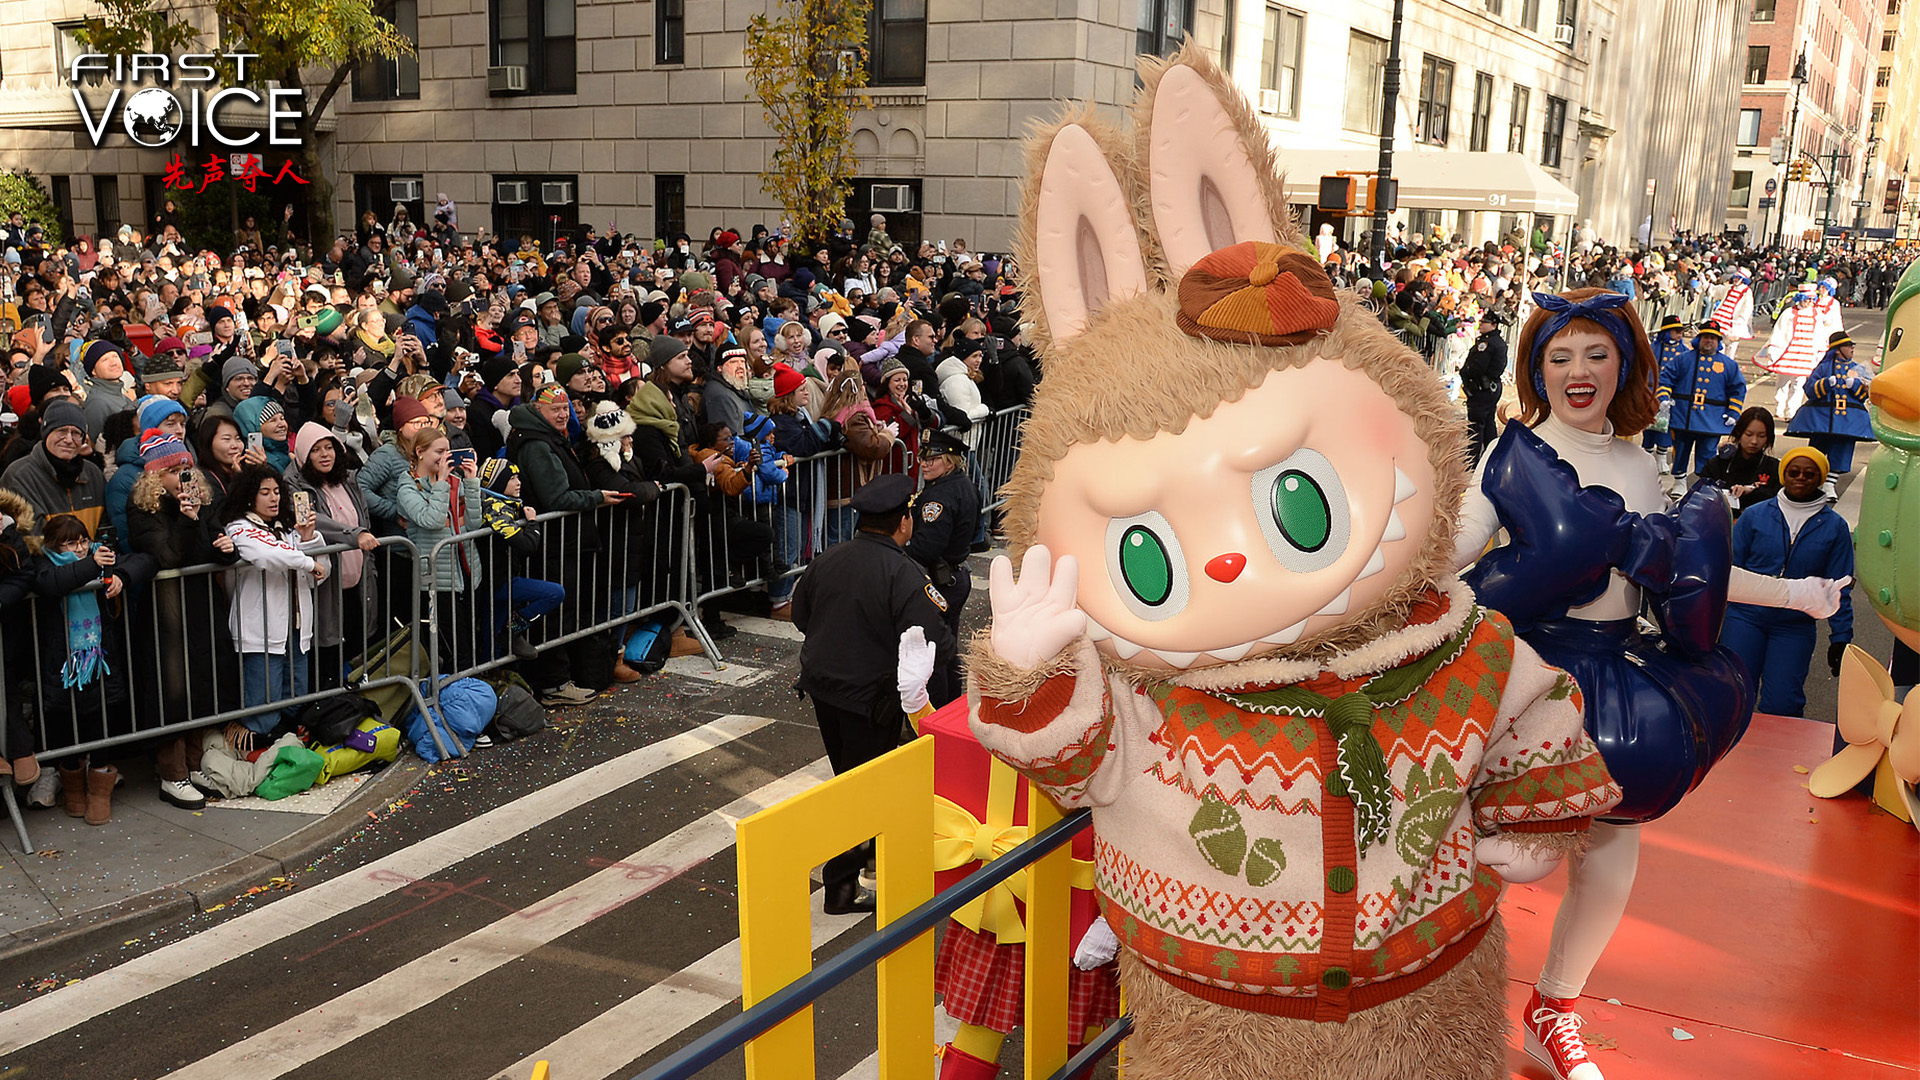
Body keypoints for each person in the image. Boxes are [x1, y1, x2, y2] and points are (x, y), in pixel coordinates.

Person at [1455, 289, 1847, 1080]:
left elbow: (1690, 572)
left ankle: (1553, 1009)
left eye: (1596, 353)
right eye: (1559, 355)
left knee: (1610, 859)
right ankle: (1443, 1008)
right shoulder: (1513, 455)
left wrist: (1795, 594)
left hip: (1611, 682)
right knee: (1476, 853)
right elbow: (1451, 552)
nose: (1577, 370)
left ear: (1626, 362)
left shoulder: (1640, 463)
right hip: (1517, 678)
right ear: (1536, 367)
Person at [790, 474, 956, 914]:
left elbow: (800, 613)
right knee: (862, 789)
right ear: (903, 522)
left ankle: (867, 860)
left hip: (825, 689)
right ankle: (842, 885)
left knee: (850, 776)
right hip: (870, 698)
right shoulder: (904, 572)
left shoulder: (829, 557)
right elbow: (933, 640)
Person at [125, 429, 240, 807]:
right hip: (166, 611)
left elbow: (212, 543)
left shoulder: (201, 502)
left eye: (186, 468)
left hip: (202, 604)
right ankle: (171, 774)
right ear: (156, 476)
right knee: (171, 690)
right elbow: (169, 555)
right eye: (173, 470)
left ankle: (192, 766)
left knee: (203, 681)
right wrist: (188, 520)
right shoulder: (145, 509)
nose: (182, 477)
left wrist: (226, 547)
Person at [31, 513, 154, 825]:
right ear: (54, 545)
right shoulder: (44, 562)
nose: (80, 548)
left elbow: (146, 560)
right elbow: (50, 584)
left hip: (98, 657)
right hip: (61, 659)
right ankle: (72, 784)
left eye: (83, 541)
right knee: (61, 718)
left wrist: (121, 576)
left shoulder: (100, 554)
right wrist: (93, 565)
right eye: (70, 543)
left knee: (99, 714)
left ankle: (99, 787)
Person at [507, 384, 627, 705]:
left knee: (568, 610)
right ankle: (554, 685)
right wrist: (597, 497)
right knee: (558, 614)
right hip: (555, 543)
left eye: (565, 409)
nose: (563, 415)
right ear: (538, 411)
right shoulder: (536, 444)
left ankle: (561, 679)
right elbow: (557, 497)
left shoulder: (548, 437)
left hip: (565, 541)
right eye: (554, 410)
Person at [1720, 447, 1855, 718]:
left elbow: (1839, 586)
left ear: (1821, 478)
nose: (1801, 478)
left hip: (1794, 627)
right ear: (1784, 476)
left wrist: (1841, 638)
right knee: (1733, 698)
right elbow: (1727, 571)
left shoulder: (1835, 527)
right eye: (1794, 472)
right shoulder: (1755, 515)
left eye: (1810, 473)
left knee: (1783, 704)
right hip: (1745, 619)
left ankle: (1777, 758)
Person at [220, 464, 327, 741]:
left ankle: (288, 750)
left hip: (296, 625)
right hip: (261, 630)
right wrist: (306, 560)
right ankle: (260, 752)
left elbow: (321, 571)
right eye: (265, 492)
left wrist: (308, 538)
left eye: (277, 491)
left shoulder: (288, 527)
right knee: (263, 705)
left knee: (296, 697)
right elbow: (265, 554)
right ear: (249, 496)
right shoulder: (239, 527)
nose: (274, 498)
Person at [285, 422, 382, 684]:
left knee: (356, 646)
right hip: (327, 584)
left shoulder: (349, 480)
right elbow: (313, 520)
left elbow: (364, 518)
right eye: (316, 450)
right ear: (305, 455)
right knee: (329, 651)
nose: (325, 454)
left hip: (358, 580)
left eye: (329, 447)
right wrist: (355, 535)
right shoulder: (295, 485)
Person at [396, 424, 487, 673]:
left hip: (468, 573)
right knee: (455, 651)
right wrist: (441, 484)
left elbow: (473, 524)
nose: (446, 457)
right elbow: (432, 521)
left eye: (449, 451)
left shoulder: (454, 482)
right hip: (437, 582)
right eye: (439, 451)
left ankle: (475, 694)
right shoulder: (408, 487)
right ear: (420, 452)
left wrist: (470, 482)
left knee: (471, 643)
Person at [902, 430, 978, 707]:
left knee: (931, 652)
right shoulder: (963, 485)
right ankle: (949, 709)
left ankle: (935, 714)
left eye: (933, 459)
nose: (925, 463)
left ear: (949, 461)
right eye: (923, 458)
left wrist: (897, 554)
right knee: (946, 647)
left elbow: (925, 548)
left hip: (940, 580)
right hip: (955, 576)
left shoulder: (939, 497)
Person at [1786, 330, 1876, 496]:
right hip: (1821, 418)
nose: (1852, 349)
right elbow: (1810, 389)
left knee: (1842, 448)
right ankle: (1813, 479)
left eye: (1852, 345)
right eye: (1848, 346)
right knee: (1817, 448)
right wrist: (1826, 384)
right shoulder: (1823, 368)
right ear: (1837, 349)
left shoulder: (1857, 369)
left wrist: (1856, 386)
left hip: (1848, 420)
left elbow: (1867, 394)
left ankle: (1830, 483)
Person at [3, 401, 106, 536]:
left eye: (76, 433)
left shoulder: (93, 474)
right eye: (61, 431)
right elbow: (28, 538)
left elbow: (105, 527)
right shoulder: (19, 476)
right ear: (46, 433)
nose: (68, 439)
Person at [1657, 321, 1745, 479]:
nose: (1709, 341)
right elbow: (1665, 380)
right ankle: (1679, 481)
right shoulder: (1683, 359)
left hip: (1712, 419)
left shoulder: (1729, 365)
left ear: (1718, 342)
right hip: (1684, 416)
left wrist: (1733, 413)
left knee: (1708, 453)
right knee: (1681, 450)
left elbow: (1737, 390)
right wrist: (1663, 398)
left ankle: (1702, 482)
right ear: (1699, 339)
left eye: (1713, 338)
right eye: (1705, 337)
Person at [1756, 284, 1824, 421]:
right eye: (1807, 299)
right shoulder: (1789, 313)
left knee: (1799, 385)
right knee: (1782, 382)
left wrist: (1819, 352)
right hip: (1788, 353)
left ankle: (1792, 412)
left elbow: (1820, 335)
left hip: (1806, 355)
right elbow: (1779, 332)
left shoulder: (1817, 315)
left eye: (1812, 299)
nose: (1810, 302)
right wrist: (1774, 349)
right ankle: (1779, 407)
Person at [1698, 406, 1782, 516]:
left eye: (1761, 436)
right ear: (1739, 432)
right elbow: (1701, 497)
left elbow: (1781, 500)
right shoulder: (1717, 464)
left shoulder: (1775, 468)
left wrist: (1753, 491)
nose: (1754, 441)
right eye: (1749, 434)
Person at [1639, 314, 1687, 477]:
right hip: (1651, 392)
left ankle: (1661, 456)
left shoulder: (1684, 352)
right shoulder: (1653, 348)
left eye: (1681, 331)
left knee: (1666, 428)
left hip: (1670, 396)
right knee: (1649, 424)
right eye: (1676, 331)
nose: (1680, 334)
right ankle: (1647, 453)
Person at [1458, 310, 1507, 463]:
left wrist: (1466, 374)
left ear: (1493, 325)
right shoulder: (1496, 341)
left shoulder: (1488, 343)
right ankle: (1490, 456)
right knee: (1488, 423)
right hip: (1489, 388)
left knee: (1476, 426)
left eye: (1485, 322)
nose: (1481, 324)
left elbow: (1477, 366)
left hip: (1482, 388)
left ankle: (1472, 461)